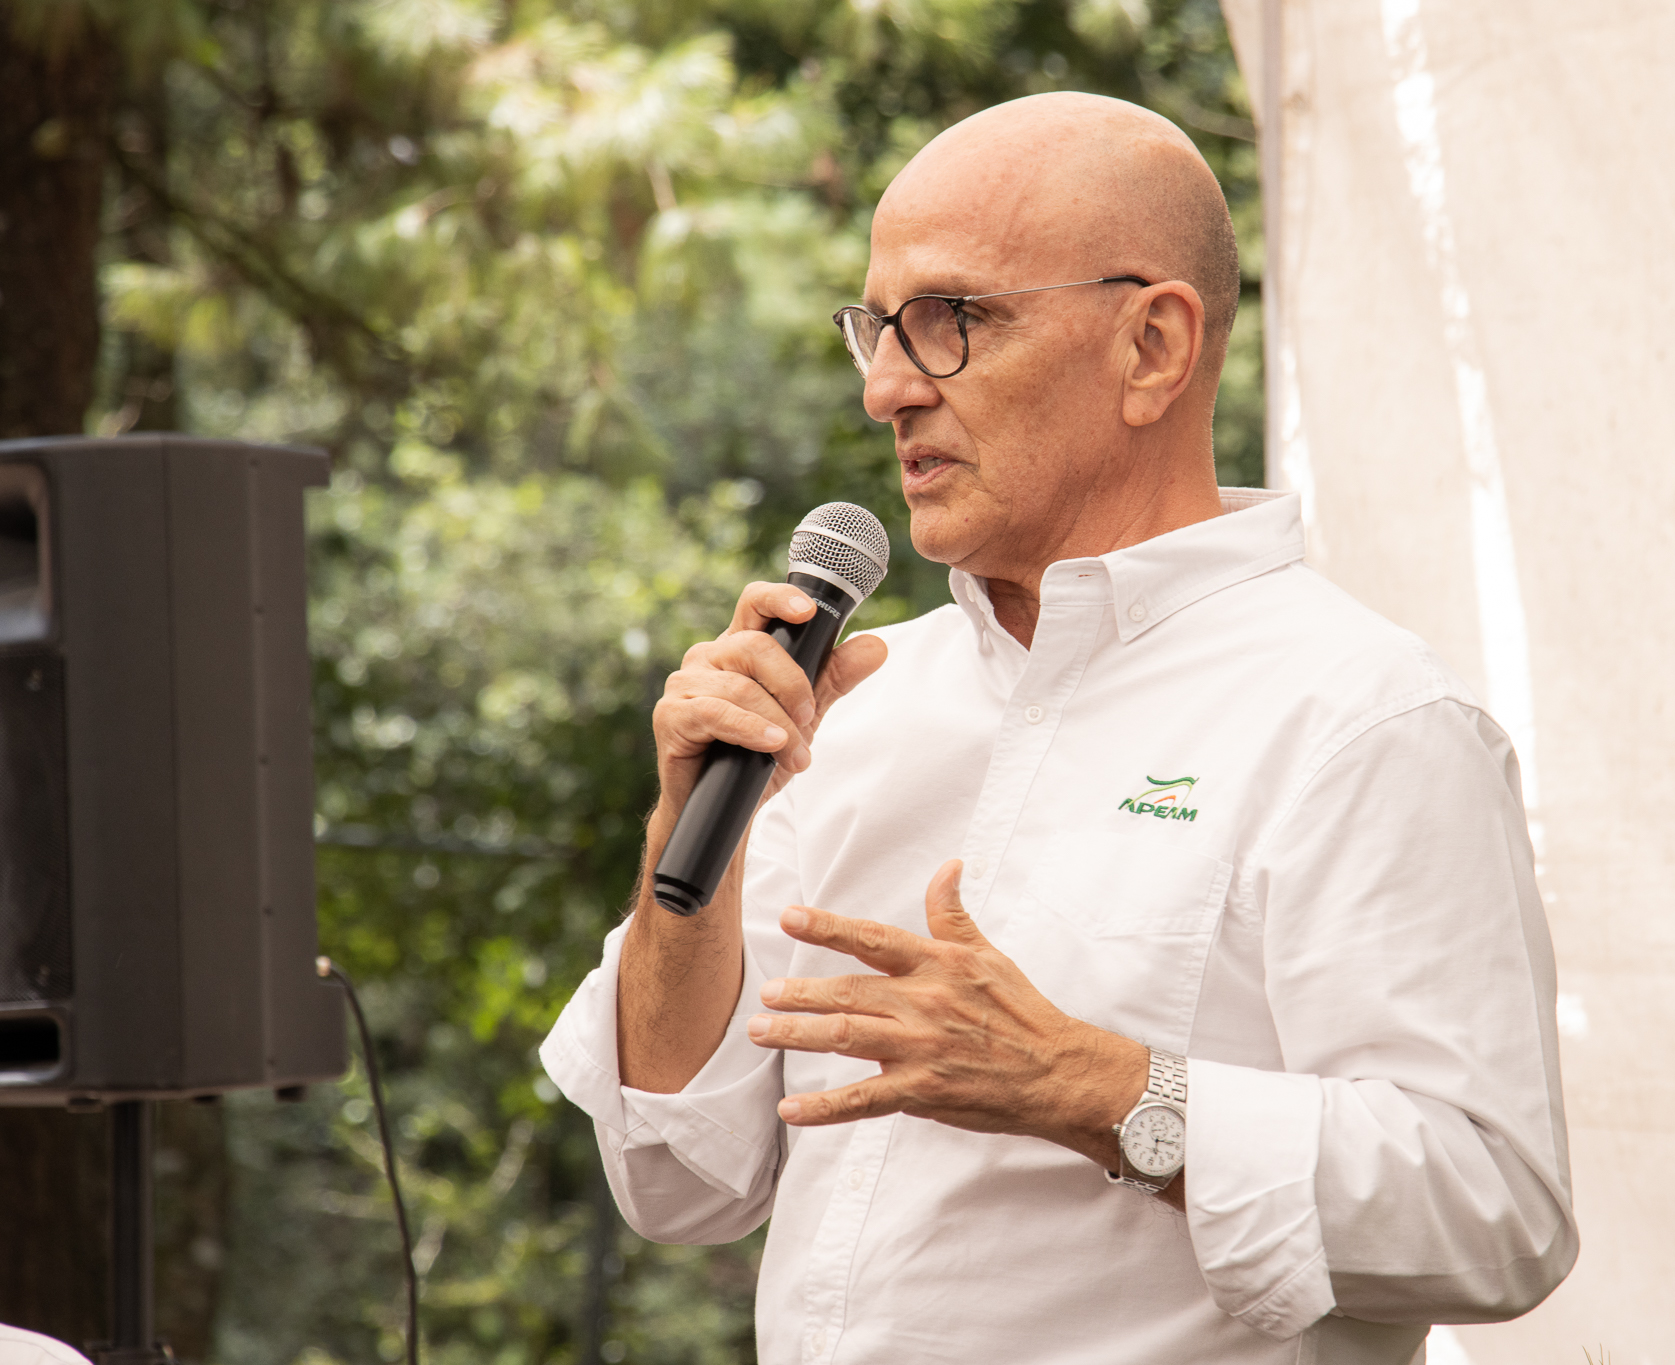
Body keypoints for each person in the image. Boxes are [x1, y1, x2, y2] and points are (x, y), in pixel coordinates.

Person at [542, 92, 1575, 1364]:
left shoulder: (1359, 717)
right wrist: (684, 841)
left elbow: (1492, 1207)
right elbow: (675, 1181)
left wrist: (1092, 1089)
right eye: (874, 328)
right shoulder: (851, 703)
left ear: (1150, 346)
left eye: (949, 321)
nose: (884, 390)